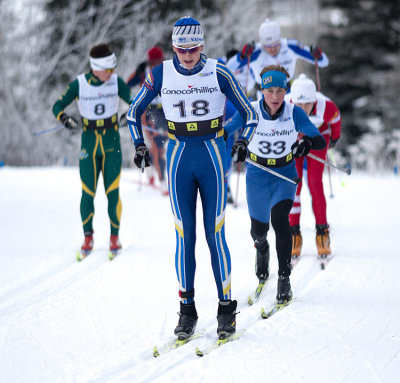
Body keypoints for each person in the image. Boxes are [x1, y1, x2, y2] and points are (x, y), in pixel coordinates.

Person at [126, 16, 258, 340]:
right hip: (179, 157)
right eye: (182, 49)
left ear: (202, 45)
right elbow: (133, 112)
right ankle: (187, 311)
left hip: (212, 156)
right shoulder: (160, 74)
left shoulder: (218, 71)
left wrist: (238, 139)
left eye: (194, 48)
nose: (188, 55)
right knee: (185, 237)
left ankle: (226, 309)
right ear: (174, 47)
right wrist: (140, 146)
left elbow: (249, 112)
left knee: (215, 235)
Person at [224, 65, 326, 304]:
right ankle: (262, 248)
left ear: (286, 91)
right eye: (269, 90)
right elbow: (226, 130)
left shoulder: (294, 112)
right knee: (258, 231)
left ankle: (284, 278)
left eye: (280, 90)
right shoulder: (249, 110)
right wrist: (236, 147)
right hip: (257, 175)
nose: (275, 97)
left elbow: (318, 139)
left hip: (285, 174)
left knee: (281, 222)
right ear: (261, 90)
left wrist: (307, 144)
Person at [52, 43, 132, 260]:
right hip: (88, 143)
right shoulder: (79, 84)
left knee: (112, 192)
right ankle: (88, 237)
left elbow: (136, 102)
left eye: (112, 69)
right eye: (108, 69)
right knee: (88, 193)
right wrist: (65, 119)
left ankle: (114, 237)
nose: (111, 73)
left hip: (111, 144)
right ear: (96, 67)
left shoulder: (116, 82)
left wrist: (128, 115)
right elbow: (57, 106)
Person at [286, 74, 341, 259]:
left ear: (314, 100)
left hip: (319, 137)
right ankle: (294, 233)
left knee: (315, 182)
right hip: (296, 138)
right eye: (299, 105)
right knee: (294, 184)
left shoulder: (326, 106)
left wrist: (334, 138)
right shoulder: (285, 104)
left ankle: (322, 233)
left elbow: (336, 121)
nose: (303, 109)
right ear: (292, 100)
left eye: (308, 104)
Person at [227, 18, 329, 96]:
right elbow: (229, 68)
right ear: (262, 44)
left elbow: (324, 62)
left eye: (275, 44)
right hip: (264, 95)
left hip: (288, 93)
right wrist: (241, 56)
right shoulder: (256, 52)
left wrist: (318, 55)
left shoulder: (291, 46)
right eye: (267, 46)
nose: (272, 49)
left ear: (280, 39)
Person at [126, 47, 169, 195]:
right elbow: (125, 86)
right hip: (148, 111)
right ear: (150, 62)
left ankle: (151, 166)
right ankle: (162, 179)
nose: (158, 64)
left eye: (160, 61)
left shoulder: (167, 69)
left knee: (161, 142)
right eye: (155, 62)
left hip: (164, 110)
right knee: (158, 146)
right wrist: (134, 102)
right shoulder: (141, 71)